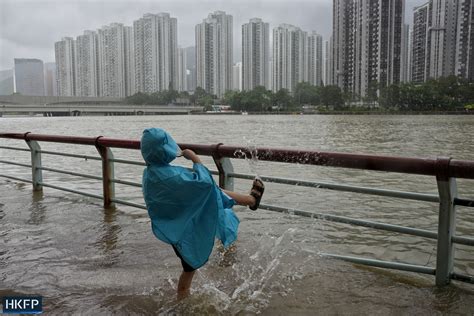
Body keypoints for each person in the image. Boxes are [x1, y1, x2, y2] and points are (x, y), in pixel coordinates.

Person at [140, 128, 265, 300]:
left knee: (188, 268)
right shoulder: (171, 176)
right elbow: (205, 183)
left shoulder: (150, 173)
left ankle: (250, 200)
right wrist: (195, 159)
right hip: (183, 230)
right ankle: (183, 301)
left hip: (173, 228)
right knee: (189, 268)